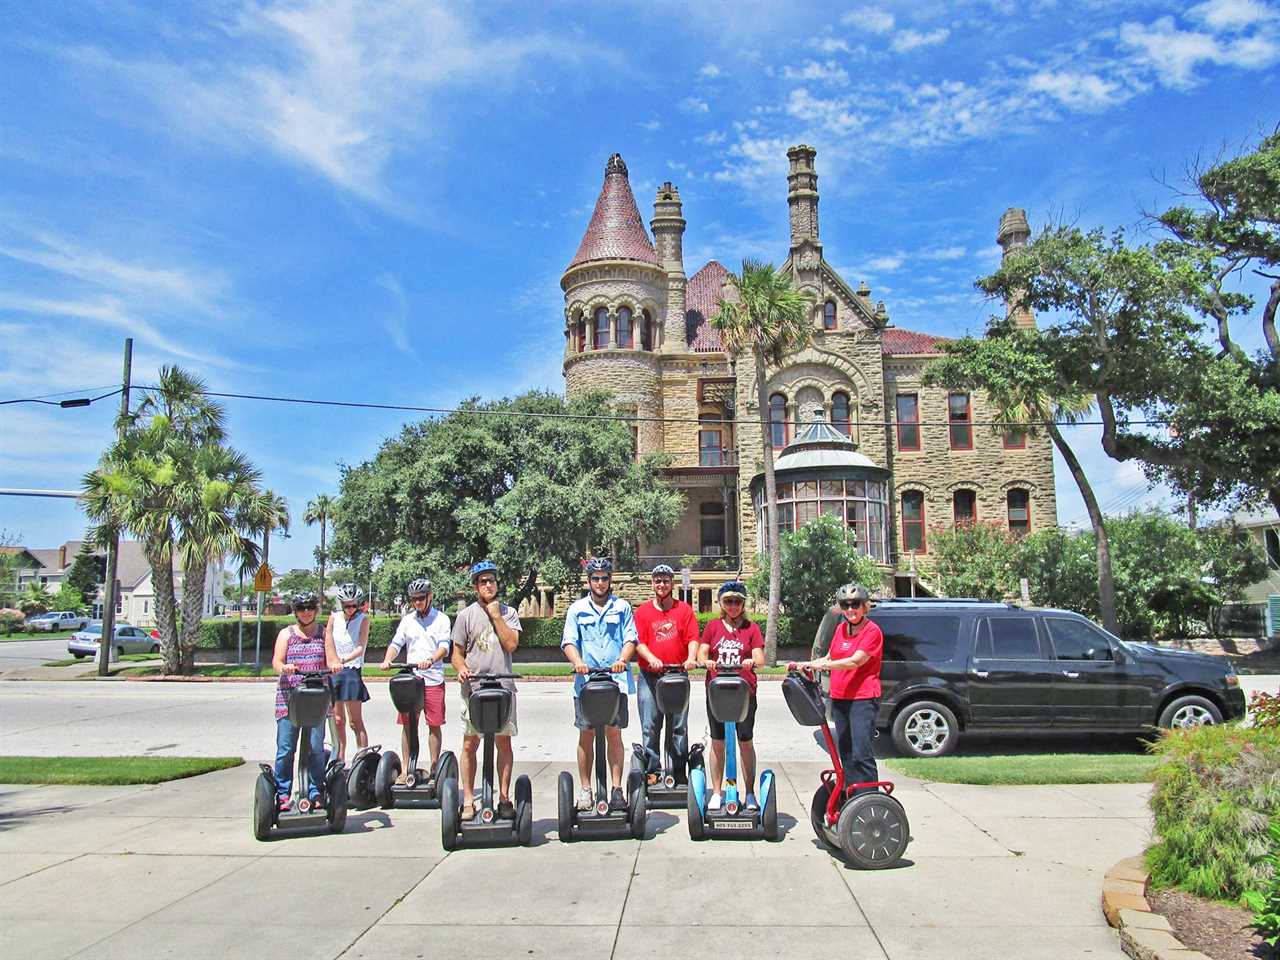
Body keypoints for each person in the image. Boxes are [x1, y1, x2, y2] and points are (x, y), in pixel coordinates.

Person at [561, 557, 636, 812]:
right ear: (589, 580)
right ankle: (585, 790)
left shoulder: (622, 607)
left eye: (604, 578)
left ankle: (616, 789)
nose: (600, 582)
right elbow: (569, 642)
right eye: (596, 578)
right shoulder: (577, 609)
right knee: (586, 735)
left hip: (615, 682)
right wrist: (578, 661)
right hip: (586, 683)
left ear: (610, 580)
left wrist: (622, 660)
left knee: (615, 735)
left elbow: (630, 639)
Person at [794, 583, 883, 793]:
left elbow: (855, 661)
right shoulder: (842, 628)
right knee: (846, 753)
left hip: (863, 700)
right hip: (840, 698)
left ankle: (869, 798)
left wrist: (823, 664)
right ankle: (852, 795)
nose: (850, 609)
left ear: (865, 606)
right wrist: (807, 664)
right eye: (845, 605)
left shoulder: (872, 631)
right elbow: (832, 656)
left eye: (855, 604)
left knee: (862, 753)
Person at [450, 560, 522, 821]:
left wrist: (495, 615)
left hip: (503, 687)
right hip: (474, 689)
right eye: (483, 581)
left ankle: (503, 797)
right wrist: (460, 669)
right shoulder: (465, 615)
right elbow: (456, 654)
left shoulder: (509, 612)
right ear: (475, 586)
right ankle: (468, 799)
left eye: (492, 580)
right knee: (470, 743)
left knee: (504, 741)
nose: (488, 585)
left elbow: (512, 644)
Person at [698, 580, 765, 812]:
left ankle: (749, 793)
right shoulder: (713, 627)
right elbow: (702, 651)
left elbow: (760, 658)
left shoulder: (751, 628)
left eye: (737, 601)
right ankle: (717, 792)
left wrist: (751, 661)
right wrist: (705, 660)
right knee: (718, 742)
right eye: (729, 601)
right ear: (721, 603)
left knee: (745, 742)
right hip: (717, 691)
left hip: (744, 692)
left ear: (743, 603)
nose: (733, 606)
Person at [271, 591, 340, 811]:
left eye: (310, 608)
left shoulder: (323, 633)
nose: (307, 612)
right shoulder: (286, 634)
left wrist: (336, 665)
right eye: (302, 609)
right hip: (290, 698)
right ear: (296, 612)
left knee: (315, 748)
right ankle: (283, 794)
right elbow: (277, 660)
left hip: (316, 700)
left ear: (316, 610)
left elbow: (331, 658)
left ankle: (314, 791)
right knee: (286, 748)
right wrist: (284, 667)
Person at [632, 563, 698, 785]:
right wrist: (651, 658)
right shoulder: (643, 612)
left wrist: (690, 658)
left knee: (679, 725)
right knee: (651, 725)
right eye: (658, 580)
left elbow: (692, 639)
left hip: (677, 675)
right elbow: (638, 643)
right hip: (650, 677)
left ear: (673, 584)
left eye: (666, 580)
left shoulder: (684, 610)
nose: (662, 584)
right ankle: (653, 771)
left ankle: (678, 770)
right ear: (653, 584)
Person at [380, 577, 451, 783]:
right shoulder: (408, 620)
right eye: (414, 599)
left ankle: (435, 767)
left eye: (421, 598)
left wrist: (431, 659)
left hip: (433, 678)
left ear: (430, 597)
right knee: (407, 724)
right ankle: (405, 769)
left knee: (434, 724)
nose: (417, 602)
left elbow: (444, 647)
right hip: (411, 680)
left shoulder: (442, 619)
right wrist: (387, 659)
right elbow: (396, 643)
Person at [326, 582, 370, 763]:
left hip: (351, 671)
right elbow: (327, 639)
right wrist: (332, 660)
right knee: (337, 720)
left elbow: (361, 646)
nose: (350, 609)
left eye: (353, 605)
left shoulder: (363, 619)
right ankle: (339, 756)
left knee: (355, 721)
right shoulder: (334, 618)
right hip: (335, 671)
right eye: (346, 605)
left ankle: (363, 757)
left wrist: (343, 660)